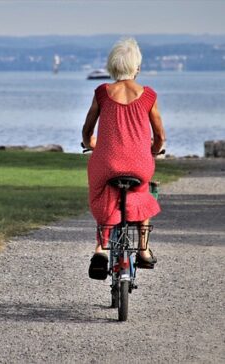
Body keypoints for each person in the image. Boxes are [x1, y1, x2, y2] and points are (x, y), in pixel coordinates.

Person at [82, 38, 166, 277]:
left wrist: (92, 144)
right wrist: (154, 150)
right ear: (136, 67)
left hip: (107, 163)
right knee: (141, 193)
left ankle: (101, 249)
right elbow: (159, 134)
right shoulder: (149, 95)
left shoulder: (102, 93)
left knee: (103, 191)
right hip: (139, 164)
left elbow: (87, 131)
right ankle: (144, 249)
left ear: (112, 66)